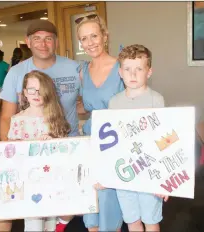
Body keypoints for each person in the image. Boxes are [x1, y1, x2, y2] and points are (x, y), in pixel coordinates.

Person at [0, 19, 81, 232]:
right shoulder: (16, 72)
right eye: (37, 38)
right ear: (28, 42)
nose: (43, 43)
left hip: (65, 150)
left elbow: (87, 102)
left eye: (48, 38)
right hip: (28, 155)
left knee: (57, 210)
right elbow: (6, 117)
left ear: (56, 41)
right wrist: (10, 157)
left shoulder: (74, 68)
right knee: (14, 210)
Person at [109, 44, 169, 232]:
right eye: (127, 69)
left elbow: (164, 139)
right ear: (120, 72)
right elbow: (111, 142)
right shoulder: (114, 102)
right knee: (132, 220)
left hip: (149, 170)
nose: (132, 75)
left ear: (149, 72)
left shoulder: (156, 100)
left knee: (151, 220)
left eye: (139, 69)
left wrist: (165, 178)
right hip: (124, 171)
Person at [76, 14, 124, 232]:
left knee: (108, 198)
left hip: (115, 138)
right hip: (90, 136)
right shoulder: (82, 71)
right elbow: (86, 107)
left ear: (105, 36)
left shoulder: (122, 66)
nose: (90, 43)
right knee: (91, 198)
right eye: (84, 38)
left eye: (94, 35)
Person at [8, 70, 70, 231]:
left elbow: (66, 151)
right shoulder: (18, 121)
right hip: (29, 182)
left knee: (50, 224)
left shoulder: (54, 118)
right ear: (24, 93)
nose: (36, 94)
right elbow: (11, 154)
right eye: (31, 90)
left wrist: (53, 142)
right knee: (34, 225)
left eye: (40, 90)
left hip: (52, 181)